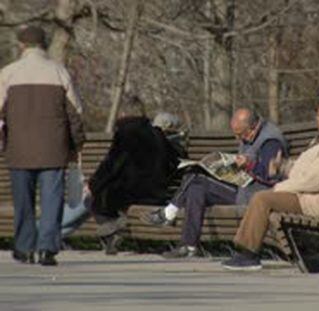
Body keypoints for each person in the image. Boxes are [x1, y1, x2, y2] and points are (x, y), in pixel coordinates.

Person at [222, 98, 319, 271]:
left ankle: (248, 255)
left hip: (314, 201)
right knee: (262, 197)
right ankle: (245, 252)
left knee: (263, 198)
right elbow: (306, 170)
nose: (317, 118)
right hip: (305, 195)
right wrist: (283, 167)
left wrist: (281, 187)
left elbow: (315, 180)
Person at [147, 108, 288, 258]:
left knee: (196, 177)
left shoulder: (270, 142)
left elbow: (271, 175)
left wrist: (249, 165)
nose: (238, 138)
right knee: (196, 188)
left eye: (240, 134)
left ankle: (169, 212)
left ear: (253, 127)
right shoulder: (251, 135)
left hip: (254, 195)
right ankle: (188, 246)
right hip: (242, 187)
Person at [0, 26, 85, 265]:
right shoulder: (59, 72)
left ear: (22, 45)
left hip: (19, 150)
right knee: (52, 200)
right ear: (44, 45)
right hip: (53, 148)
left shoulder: (8, 73)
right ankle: (47, 249)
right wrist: (77, 143)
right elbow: (76, 112)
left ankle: (24, 247)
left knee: (23, 201)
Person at [85, 115, 183, 254]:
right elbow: (174, 164)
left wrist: (93, 184)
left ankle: (112, 230)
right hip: (158, 192)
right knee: (106, 195)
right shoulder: (158, 135)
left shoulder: (126, 136)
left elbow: (112, 166)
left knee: (94, 198)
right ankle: (112, 231)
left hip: (131, 193)